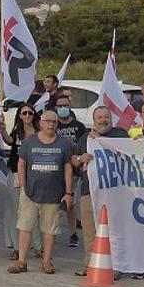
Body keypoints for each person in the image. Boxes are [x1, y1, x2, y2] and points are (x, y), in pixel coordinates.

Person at [8, 109, 77, 274]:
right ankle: (21, 262)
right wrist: (24, 186)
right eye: (48, 121)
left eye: (54, 122)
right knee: (25, 227)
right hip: (30, 194)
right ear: (41, 123)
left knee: (49, 230)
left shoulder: (64, 144)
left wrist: (68, 192)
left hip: (53, 195)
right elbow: (21, 163)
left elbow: (68, 169)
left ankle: (47, 262)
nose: (51, 125)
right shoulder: (29, 142)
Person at [73, 106, 127, 279]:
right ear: (94, 120)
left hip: (114, 193)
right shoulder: (84, 138)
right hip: (88, 191)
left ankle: (115, 267)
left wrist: (101, 141)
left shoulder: (120, 134)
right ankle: (90, 265)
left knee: (113, 230)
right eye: (100, 117)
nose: (103, 120)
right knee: (89, 230)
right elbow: (73, 159)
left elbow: (127, 152)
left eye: (106, 117)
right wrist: (81, 158)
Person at [1, 104, 40, 260]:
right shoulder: (17, 133)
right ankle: (17, 248)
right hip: (16, 175)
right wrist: (2, 128)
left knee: (36, 212)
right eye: (24, 113)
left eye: (30, 113)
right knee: (16, 210)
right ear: (20, 116)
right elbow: (8, 141)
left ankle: (38, 246)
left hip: (37, 175)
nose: (27, 115)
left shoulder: (40, 133)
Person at [51, 92, 88, 248]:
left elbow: (82, 149)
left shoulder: (79, 127)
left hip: (73, 170)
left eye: (65, 105)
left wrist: (71, 145)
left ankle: (73, 233)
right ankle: (51, 233)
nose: (63, 108)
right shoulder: (52, 125)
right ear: (55, 108)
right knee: (52, 204)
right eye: (60, 106)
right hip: (54, 169)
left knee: (70, 203)